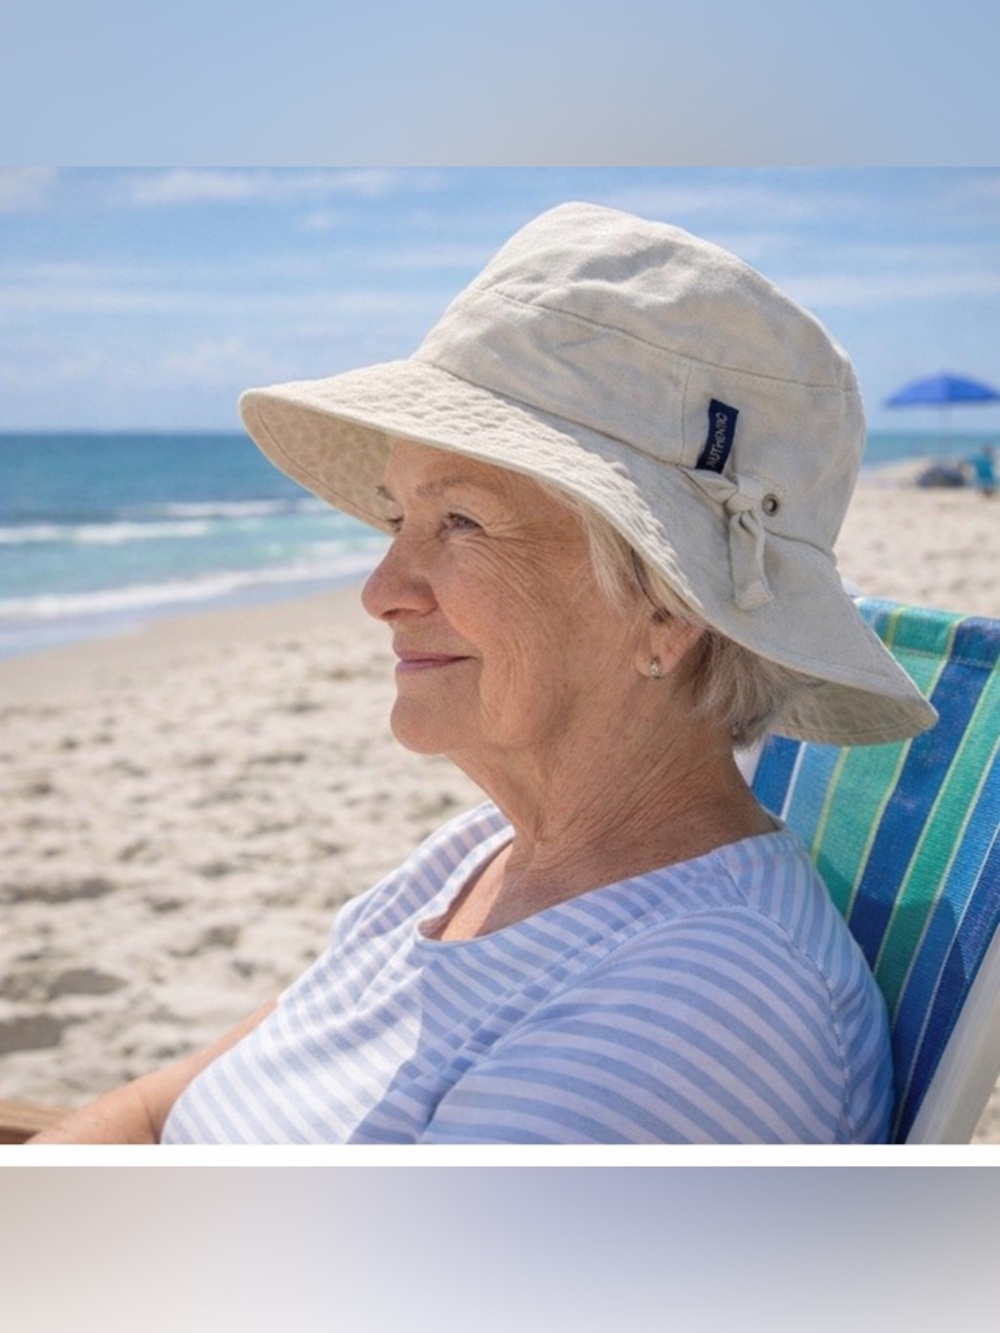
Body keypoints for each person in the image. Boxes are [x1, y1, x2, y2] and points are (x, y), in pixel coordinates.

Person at [30, 202, 937, 1145]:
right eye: (399, 520)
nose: (381, 592)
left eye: (460, 521)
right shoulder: (478, 858)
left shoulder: (698, 1005)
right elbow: (154, 1112)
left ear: (668, 607)